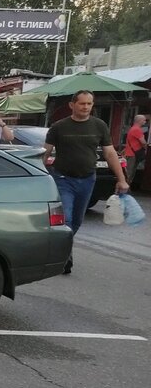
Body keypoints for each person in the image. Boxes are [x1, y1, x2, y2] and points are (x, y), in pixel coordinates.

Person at [44, 90, 129, 274]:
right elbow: (45, 153)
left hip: (87, 180)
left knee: (77, 221)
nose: (86, 107)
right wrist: (37, 176)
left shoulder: (99, 126)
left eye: (89, 104)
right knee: (66, 218)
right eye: (82, 103)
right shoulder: (59, 127)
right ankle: (63, 256)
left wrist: (121, 179)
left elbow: (110, 153)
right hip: (63, 179)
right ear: (72, 105)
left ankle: (63, 249)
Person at [122, 114, 147, 184]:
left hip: (131, 153)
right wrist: (146, 149)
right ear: (140, 121)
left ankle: (126, 187)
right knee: (129, 173)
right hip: (133, 154)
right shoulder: (137, 129)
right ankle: (125, 188)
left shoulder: (132, 128)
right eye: (144, 120)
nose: (145, 122)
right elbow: (143, 142)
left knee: (129, 172)